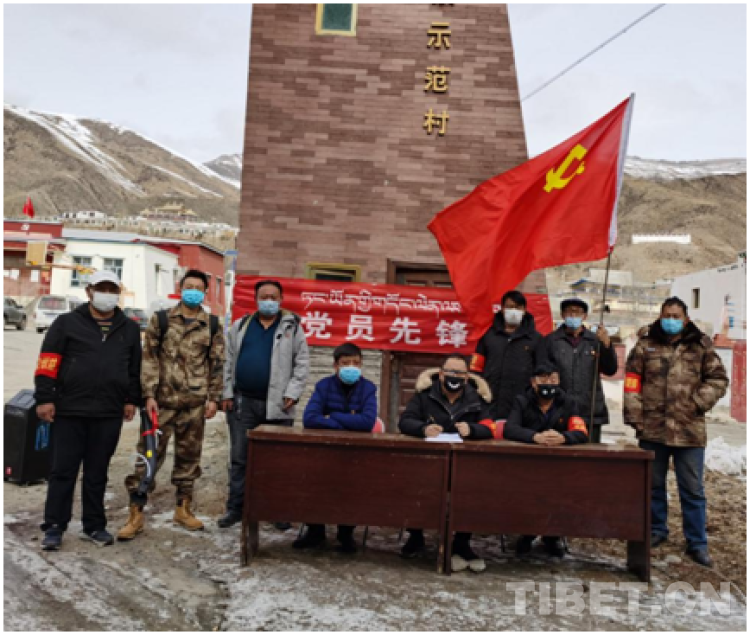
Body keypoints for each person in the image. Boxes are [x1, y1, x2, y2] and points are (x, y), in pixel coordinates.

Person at [35, 270, 142, 551]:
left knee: (97, 473)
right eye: (101, 288)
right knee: (62, 471)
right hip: (69, 410)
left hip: (108, 412)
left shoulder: (129, 329)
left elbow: (134, 369)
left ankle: (94, 526)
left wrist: (131, 399)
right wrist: (45, 398)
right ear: (89, 291)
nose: (107, 294)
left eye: (112, 289)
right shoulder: (66, 323)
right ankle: (54, 526)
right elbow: (48, 362)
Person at [118, 269, 225, 540]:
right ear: (180, 288)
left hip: (194, 404)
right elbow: (149, 358)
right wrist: (148, 394)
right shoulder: (162, 319)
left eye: (198, 288)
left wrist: (214, 398)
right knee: (148, 456)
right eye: (189, 286)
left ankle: (183, 508)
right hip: (161, 403)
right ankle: (136, 512)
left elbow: (217, 364)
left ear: (205, 292)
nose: (193, 291)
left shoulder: (212, 324)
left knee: (189, 459)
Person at [624, 297, 728, 568]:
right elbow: (633, 380)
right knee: (652, 485)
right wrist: (635, 416)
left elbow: (718, 378)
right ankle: (656, 530)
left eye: (676, 316)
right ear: (660, 316)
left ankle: (697, 542)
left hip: (688, 430)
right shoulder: (646, 344)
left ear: (685, 319)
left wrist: (697, 402)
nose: (671, 320)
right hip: (653, 428)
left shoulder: (700, 345)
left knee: (692, 490)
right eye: (666, 315)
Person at [217, 279, 310, 529]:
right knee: (240, 459)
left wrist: (293, 392)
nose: (269, 301)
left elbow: (302, 364)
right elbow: (228, 362)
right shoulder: (241, 326)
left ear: (281, 300)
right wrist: (226, 393)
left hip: (278, 406)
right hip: (243, 403)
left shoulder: (292, 327)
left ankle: (276, 511)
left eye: (273, 297)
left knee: (277, 461)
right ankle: (236, 508)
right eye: (264, 296)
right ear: (256, 299)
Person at [398, 354, 494, 573]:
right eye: (450, 372)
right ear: (441, 375)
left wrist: (473, 430)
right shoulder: (424, 396)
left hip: (466, 465)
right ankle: (416, 536)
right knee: (414, 485)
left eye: (460, 373)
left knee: (473, 491)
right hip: (428, 463)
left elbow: (490, 427)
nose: (454, 377)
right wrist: (423, 429)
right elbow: (405, 421)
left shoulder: (476, 399)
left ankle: (462, 542)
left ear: (467, 377)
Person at [295, 342, 378, 553]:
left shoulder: (368, 388)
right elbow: (310, 418)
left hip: (354, 453)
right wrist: (348, 421)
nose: (351, 367)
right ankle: (315, 532)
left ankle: (346, 534)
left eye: (356, 363)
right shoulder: (324, 386)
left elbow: (367, 422)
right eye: (346, 363)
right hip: (323, 451)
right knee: (315, 485)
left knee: (351, 489)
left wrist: (331, 416)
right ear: (335, 365)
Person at [503, 362, 588, 557]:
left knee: (559, 493)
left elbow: (581, 432)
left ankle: (552, 537)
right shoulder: (522, 401)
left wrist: (564, 438)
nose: (549, 383)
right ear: (533, 382)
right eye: (543, 379)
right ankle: (527, 534)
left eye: (553, 379)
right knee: (528, 494)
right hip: (527, 464)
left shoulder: (568, 402)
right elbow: (510, 429)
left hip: (559, 465)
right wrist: (535, 437)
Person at [544, 298, 617, 443]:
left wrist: (606, 345)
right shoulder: (551, 341)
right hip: (558, 411)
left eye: (577, 312)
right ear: (562, 315)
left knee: (589, 454)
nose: (573, 315)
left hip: (590, 412)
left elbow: (610, 369)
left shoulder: (595, 341)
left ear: (584, 316)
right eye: (569, 312)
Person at [470, 290, 546, 420]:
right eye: (510, 307)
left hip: (521, 404)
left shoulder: (536, 339)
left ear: (524, 310)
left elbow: (541, 371)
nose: (514, 311)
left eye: (518, 307)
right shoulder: (488, 335)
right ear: (502, 309)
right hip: (489, 399)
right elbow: (476, 367)